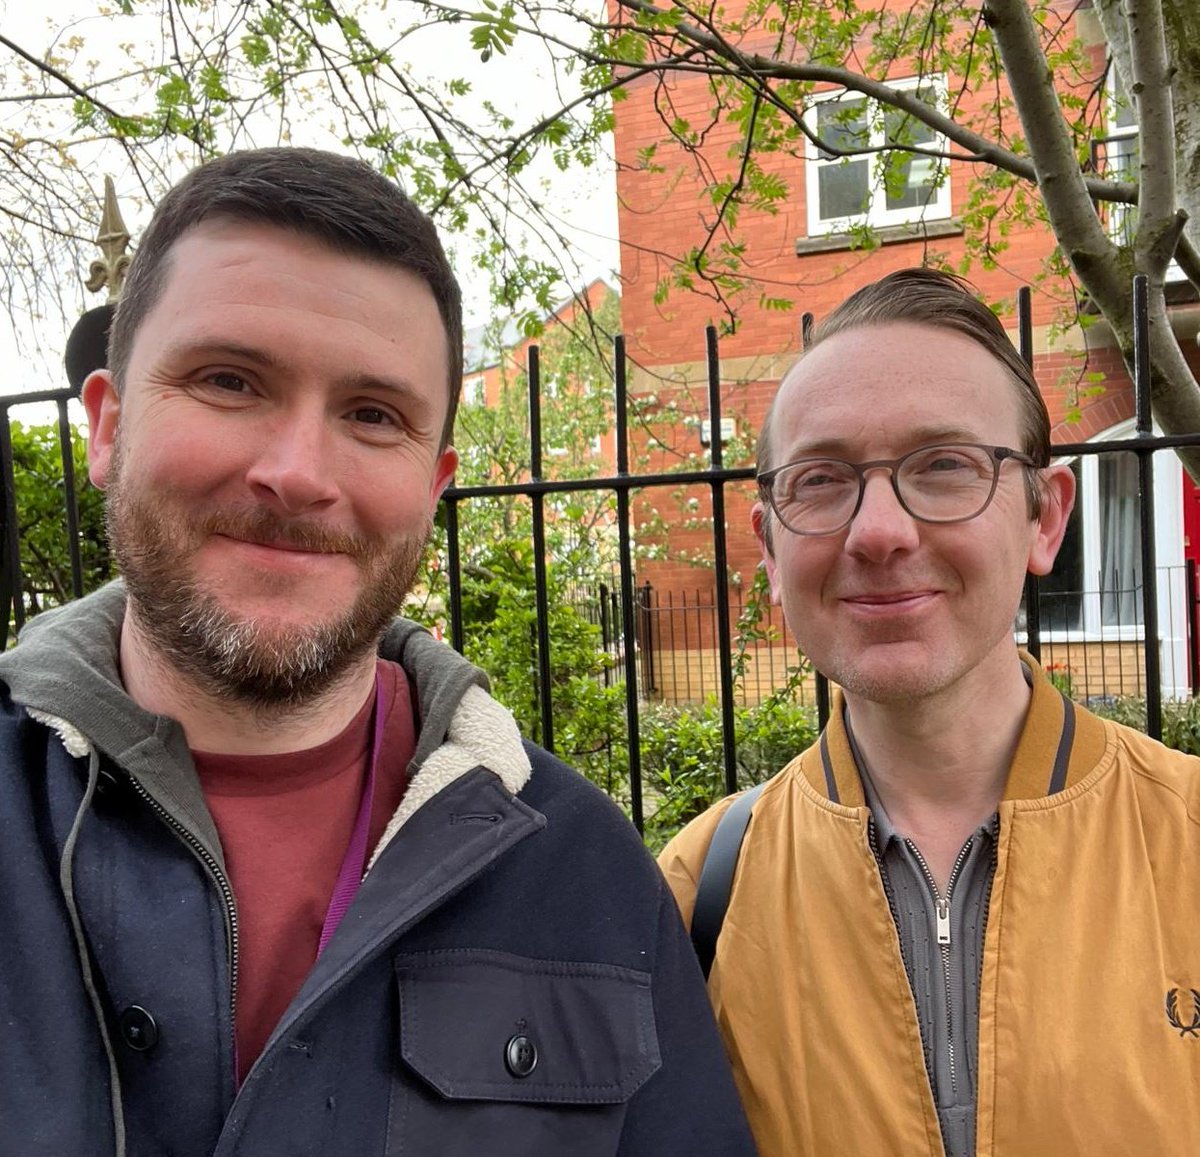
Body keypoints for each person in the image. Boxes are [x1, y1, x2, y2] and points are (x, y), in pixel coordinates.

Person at [0, 148, 755, 1157]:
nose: (298, 472)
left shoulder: (583, 873)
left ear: (434, 481)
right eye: (229, 380)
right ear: (107, 425)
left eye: (372, 414)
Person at [659, 268, 1200, 1157]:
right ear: (768, 542)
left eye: (943, 465)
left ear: (1044, 518)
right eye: (823, 479)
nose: (879, 531)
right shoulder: (697, 896)